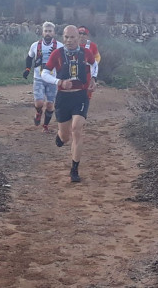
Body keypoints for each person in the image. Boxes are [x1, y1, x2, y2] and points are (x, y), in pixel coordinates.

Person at [41, 25, 97, 182]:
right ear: (62, 38)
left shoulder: (86, 53)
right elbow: (44, 73)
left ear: (78, 38)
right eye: (66, 37)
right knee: (65, 136)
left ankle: (74, 169)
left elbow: (94, 64)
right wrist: (59, 81)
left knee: (76, 129)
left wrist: (94, 78)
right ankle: (60, 138)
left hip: (81, 96)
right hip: (63, 98)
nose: (69, 40)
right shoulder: (57, 54)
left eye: (72, 37)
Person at [23, 21, 64, 133]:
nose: (48, 33)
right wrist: (27, 69)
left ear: (54, 33)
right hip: (39, 78)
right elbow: (29, 58)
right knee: (39, 103)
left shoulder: (60, 46)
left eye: (50, 31)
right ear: (42, 32)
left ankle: (45, 126)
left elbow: (65, 61)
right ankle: (38, 112)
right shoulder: (35, 45)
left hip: (53, 79)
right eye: (46, 31)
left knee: (50, 105)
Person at [78, 26, 100, 97]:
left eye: (84, 34)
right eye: (80, 33)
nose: (81, 36)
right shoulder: (72, 44)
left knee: (87, 94)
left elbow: (97, 57)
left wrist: (93, 64)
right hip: (74, 71)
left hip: (87, 73)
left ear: (87, 36)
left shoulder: (92, 45)